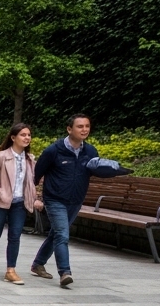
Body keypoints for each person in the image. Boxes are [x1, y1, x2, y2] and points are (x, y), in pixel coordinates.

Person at [30, 114, 130, 286]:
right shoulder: (53, 151)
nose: (84, 130)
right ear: (69, 129)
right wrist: (35, 197)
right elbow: (36, 175)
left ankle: (38, 264)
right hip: (54, 199)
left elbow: (94, 171)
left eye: (87, 126)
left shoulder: (90, 152)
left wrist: (113, 170)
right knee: (62, 234)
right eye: (80, 126)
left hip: (76, 200)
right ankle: (65, 272)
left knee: (57, 233)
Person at [0, 123, 40, 284]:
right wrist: (0, 192)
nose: (27, 138)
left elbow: (33, 181)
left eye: (29, 135)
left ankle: (10, 271)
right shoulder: (1, 156)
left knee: (15, 236)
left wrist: (35, 197)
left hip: (19, 203)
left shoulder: (30, 159)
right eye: (23, 135)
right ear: (13, 137)